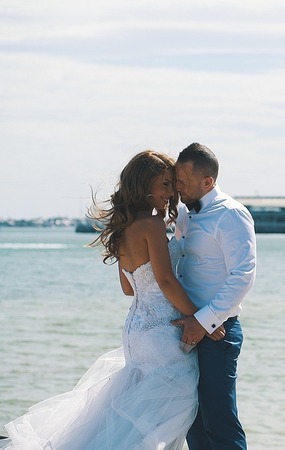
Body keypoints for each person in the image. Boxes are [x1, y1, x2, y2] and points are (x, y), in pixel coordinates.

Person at [1, 150, 224, 449]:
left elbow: (129, 288)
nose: (172, 194)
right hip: (160, 334)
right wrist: (202, 320)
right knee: (165, 414)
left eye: (172, 185)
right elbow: (166, 281)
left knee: (135, 415)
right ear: (145, 187)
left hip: (135, 333)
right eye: (165, 185)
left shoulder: (124, 227)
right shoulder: (152, 224)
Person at [170, 143, 257, 450]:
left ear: (207, 182)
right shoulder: (184, 214)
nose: (177, 186)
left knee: (220, 422)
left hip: (218, 333)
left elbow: (243, 276)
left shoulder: (232, 215)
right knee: (192, 421)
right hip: (185, 326)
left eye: (183, 180)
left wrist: (203, 321)